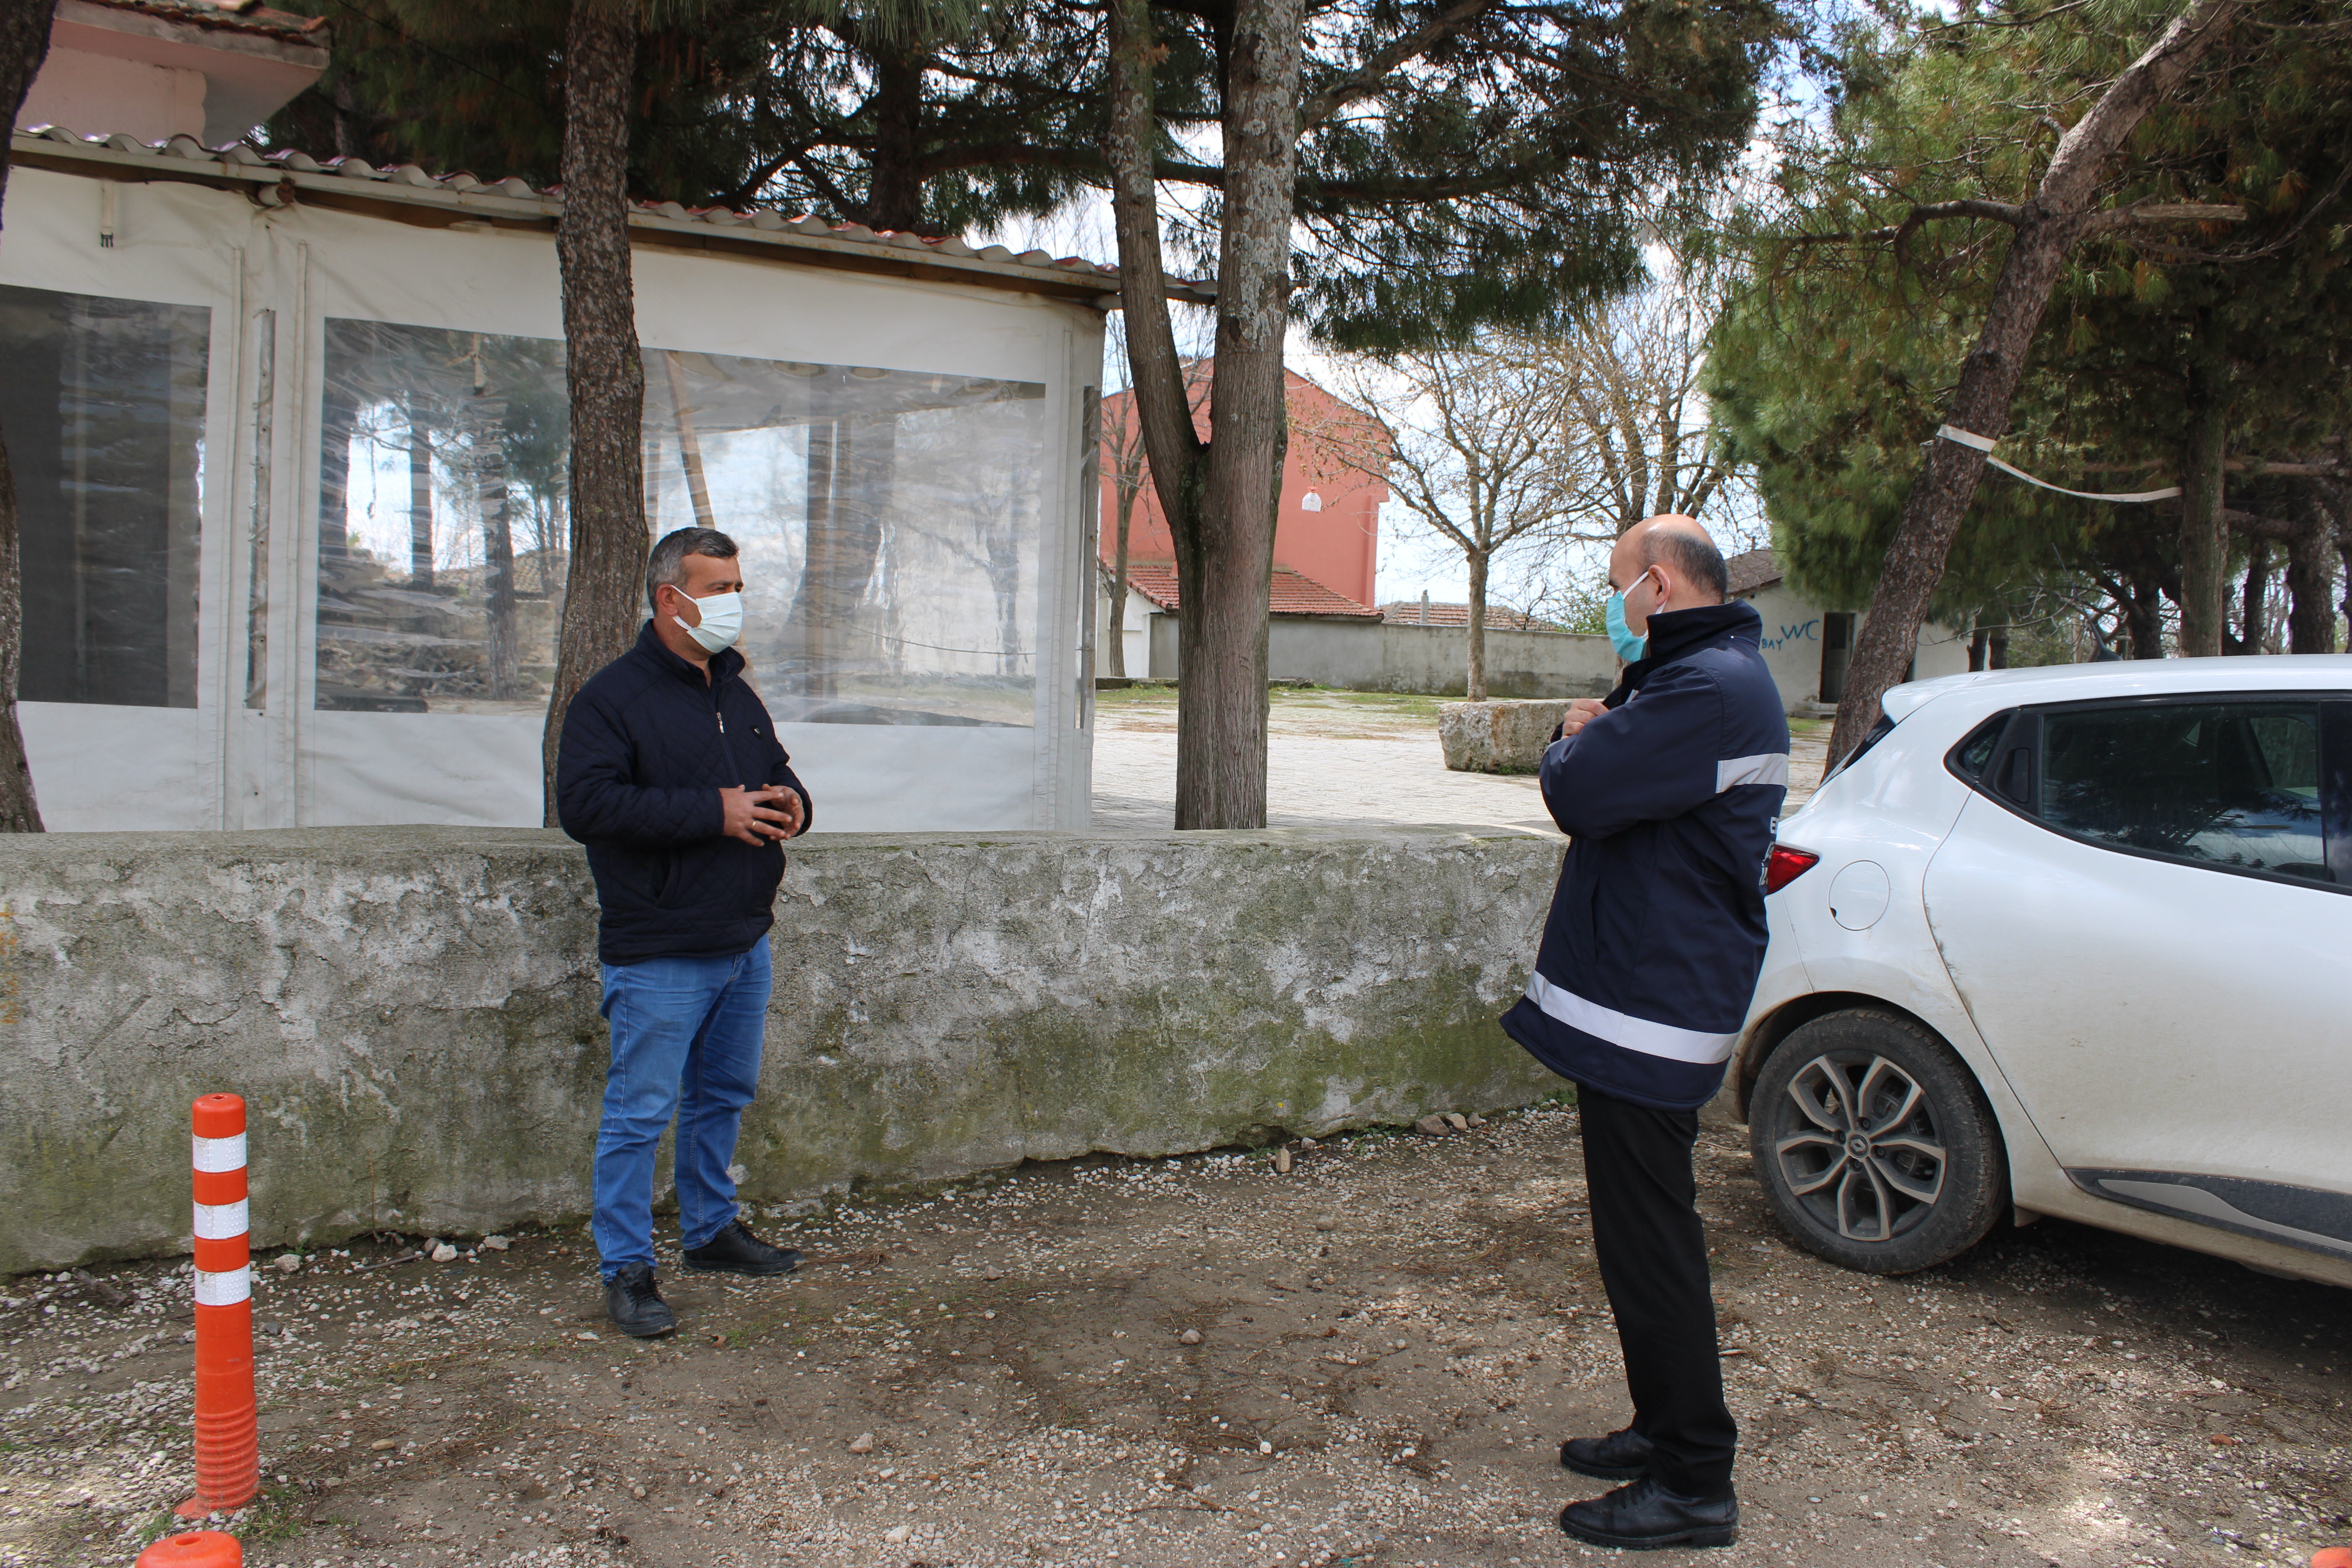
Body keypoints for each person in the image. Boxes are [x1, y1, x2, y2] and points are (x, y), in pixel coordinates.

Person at [1498, 515, 1789, 1551]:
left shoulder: (1705, 687)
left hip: (1651, 1011)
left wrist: (1573, 739)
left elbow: (1581, 792)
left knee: (1651, 1246)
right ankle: (1664, 1428)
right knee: (1636, 1240)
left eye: (1620, 586)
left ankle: (1696, 1479)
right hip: (1641, 998)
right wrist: (1606, 723)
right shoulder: (1697, 676)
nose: (1615, 605)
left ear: (1658, 588)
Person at [557, 526, 814, 1338]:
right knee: (639, 1114)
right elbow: (587, 808)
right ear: (672, 598)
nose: (734, 604)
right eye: (718, 589)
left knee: (722, 1096)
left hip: (743, 937)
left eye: (738, 587)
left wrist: (793, 804)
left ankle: (710, 1232)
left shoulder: (734, 690)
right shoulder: (611, 699)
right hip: (662, 947)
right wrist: (716, 812)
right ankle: (627, 1269)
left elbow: (774, 770)